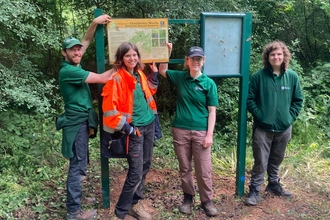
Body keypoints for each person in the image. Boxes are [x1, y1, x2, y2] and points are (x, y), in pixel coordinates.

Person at [55, 14, 112, 220]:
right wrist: (121, 63)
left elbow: (86, 40)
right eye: (73, 49)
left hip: (82, 120)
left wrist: (94, 23)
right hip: (76, 122)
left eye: (78, 49)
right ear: (65, 53)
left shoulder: (75, 63)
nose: (78, 51)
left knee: (82, 160)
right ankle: (73, 211)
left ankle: (77, 199)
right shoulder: (69, 71)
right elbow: (103, 78)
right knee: (78, 165)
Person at [158, 44, 219, 217]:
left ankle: (207, 201)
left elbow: (212, 111)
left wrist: (209, 135)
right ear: (187, 61)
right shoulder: (180, 77)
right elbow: (163, 70)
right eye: (192, 59)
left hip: (201, 132)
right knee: (185, 167)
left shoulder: (208, 83)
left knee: (204, 169)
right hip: (180, 130)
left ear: (203, 61)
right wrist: (167, 52)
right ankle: (188, 198)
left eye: (199, 59)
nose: (196, 62)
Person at [101, 42, 159, 220]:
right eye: (128, 56)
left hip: (149, 124)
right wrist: (129, 129)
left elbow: (148, 92)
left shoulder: (139, 73)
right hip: (135, 131)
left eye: (134, 55)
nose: (132, 58)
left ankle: (135, 204)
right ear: (121, 59)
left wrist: (155, 74)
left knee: (145, 165)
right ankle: (119, 213)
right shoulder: (116, 79)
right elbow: (109, 111)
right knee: (135, 172)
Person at [245, 40, 304, 206]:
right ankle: (255, 190)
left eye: (279, 54)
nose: (276, 57)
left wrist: (289, 118)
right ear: (267, 57)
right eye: (273, 54)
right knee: (260, 160)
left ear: (284, 56)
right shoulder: (258, 77)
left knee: (277, 158)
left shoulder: (292, 76)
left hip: (284, 128)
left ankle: (273, 184)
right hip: (263, 129)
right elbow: (250, 100)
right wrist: (261, 116)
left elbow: (298, 100)